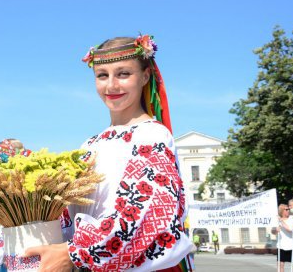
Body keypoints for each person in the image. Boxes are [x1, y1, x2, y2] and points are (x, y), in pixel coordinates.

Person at [24, 35, 192, 271]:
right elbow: (70, 215)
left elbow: (146, 214)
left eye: (123, 74)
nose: (111, 85)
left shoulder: (152, 135)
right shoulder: (89, 145)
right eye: (102, 75)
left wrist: (75, 253)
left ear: (145, 76)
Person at [277, 204, 293, 272]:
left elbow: (290, 229)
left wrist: (281, 221)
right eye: (286, 209)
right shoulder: (277, 220)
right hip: (281, 245)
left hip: (292, 245)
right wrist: (275, 230)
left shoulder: (292, 219)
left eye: (289, 209)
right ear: (281, 211)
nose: (288, 211)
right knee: (280, 264)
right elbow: (273, 231)